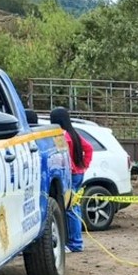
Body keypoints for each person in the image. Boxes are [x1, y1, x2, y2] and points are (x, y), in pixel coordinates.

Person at [50, 107, 93, 253]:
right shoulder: (74, 134)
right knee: (75, 207)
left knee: (70, 209)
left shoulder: (63, 137)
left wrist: (71, 169)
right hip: (79, 174)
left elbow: (64, 157)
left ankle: (75, 243)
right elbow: (89, 148)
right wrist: (84, 165)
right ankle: (75, 241)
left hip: (71, 175)